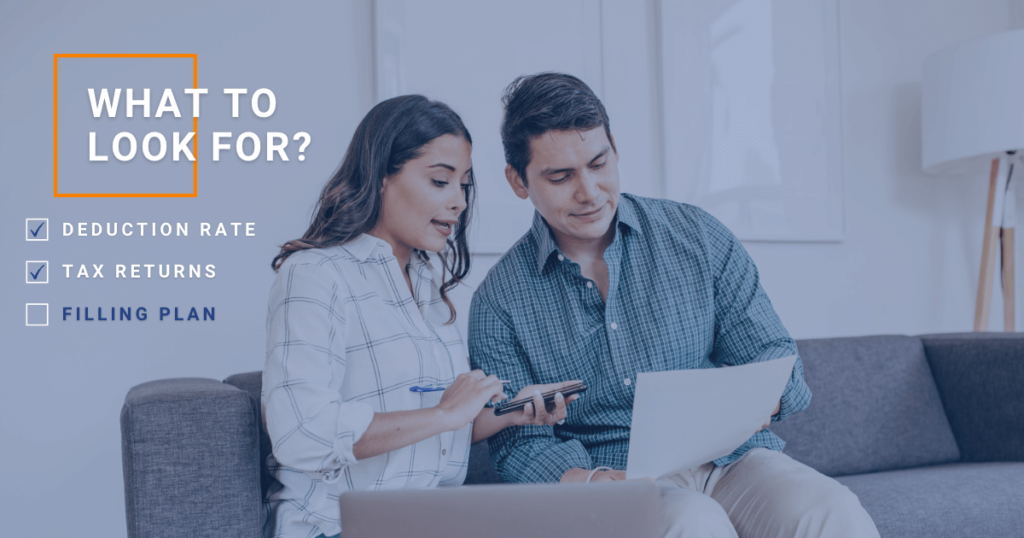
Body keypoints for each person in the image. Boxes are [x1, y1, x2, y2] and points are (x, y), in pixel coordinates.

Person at [468, 73, 880, 538]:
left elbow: (776, 358)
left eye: (598, 163)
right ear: (518, 181)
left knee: (828, 509)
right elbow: (519, 444)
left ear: (615, 149)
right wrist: (590, 481)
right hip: (614, 479)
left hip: (734, 459)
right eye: (561, 177)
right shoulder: (498, 302)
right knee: (692, 523)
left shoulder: (696, 236)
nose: (589, 191)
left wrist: (756, 397)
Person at [262, 94, 579, 538]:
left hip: (429, 521)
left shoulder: (428, 286)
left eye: (463, 184)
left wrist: (508, 413)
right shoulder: (315, 275)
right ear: (380, 179)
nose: (459, 202)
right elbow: (302, 434)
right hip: (335, 528)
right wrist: (445, 414)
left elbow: (432, 436)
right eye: (439, 181)